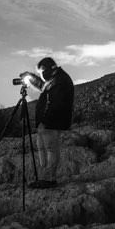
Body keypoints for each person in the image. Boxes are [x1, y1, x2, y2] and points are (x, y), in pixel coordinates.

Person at [21, 57, 74, 188]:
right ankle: (43, 177)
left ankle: (49, 179)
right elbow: (42, 85)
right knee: (42, 149)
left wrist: (44, 121)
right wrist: (30, 77)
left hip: (52, 123)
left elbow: (56, 104)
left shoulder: (60, 81)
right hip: (47, 124)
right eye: (40, 73)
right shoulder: (54, 79)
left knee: (50, 149)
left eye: (42, 72)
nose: (41, 75)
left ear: (50, 69)